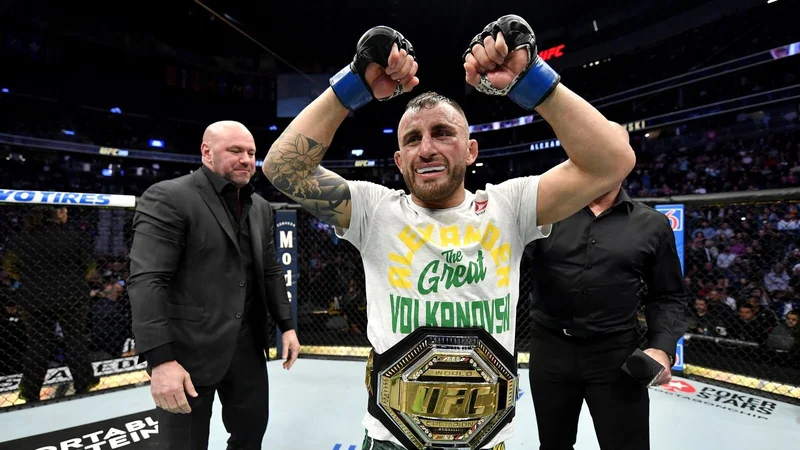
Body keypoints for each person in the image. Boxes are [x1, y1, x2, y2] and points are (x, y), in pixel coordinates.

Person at [262, 16, 635, 450]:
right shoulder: (373, 210)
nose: (427, 149)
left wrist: (532, 79)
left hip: (486, 440)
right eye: (412, 139)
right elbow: (281, 168)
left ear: (471, 150)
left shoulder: (509, 205)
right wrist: (354, 84)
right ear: (399, 160)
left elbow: (613, 161)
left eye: (442, 133)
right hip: (391, 440)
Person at [127, 120, 301, 450]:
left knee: (250, 438)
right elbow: (147, 280)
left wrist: (287, 326)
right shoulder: (169, 197)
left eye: (251, 153)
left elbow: (271, 270)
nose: (246, 159)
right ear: (207, 152)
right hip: (187, 354)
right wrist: (161, 361)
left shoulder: (261, 207)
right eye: (235, 151)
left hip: (247, 350)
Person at [524, 184, 690, 450]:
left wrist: (661, 348)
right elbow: (508, 268)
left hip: (616, 354)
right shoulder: (547, 213)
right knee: (553, 444)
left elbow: (668, 295)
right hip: (550, 348)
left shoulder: (651, 223)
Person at [4, 206, 99, 402]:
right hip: (71, 295)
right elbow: (89, 266)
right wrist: (72, 278)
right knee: (75, 340)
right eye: (65, 211)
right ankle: (84, 382)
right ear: (58, 213)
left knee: (37, 344)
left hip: (34, 297)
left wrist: (31, 279)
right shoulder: (73, 236)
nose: (67, 215)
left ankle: (30, 390)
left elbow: (10, 266)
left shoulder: (22, 238)